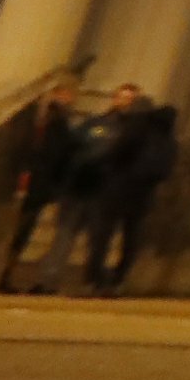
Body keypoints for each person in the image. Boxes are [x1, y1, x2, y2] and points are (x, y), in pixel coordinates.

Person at [30, 85, 130, 295]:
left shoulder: (130, 131)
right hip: (78, 187)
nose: (124, 103)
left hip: (103, 191)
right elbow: (72, 145)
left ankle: (93, 282)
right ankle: (48, 280)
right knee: (64, 236)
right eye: (122, 98)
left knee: (97, 241)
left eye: (129, 100)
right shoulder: (95, 123)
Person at [0, 80, 84, 294]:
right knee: (15, 232)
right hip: (32, 183)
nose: (70, 100)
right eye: (68, 96)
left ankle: (0, 275)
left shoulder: (36, 118)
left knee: (15, 232)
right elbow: (53, 154)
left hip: (30, 183)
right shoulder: (49, 121)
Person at [93, 95, 180, 294]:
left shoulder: (137, 129)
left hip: (119, 188)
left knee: (103, 235)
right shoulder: (169, 138)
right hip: (144, 194)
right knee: (131, 238)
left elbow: (117, 153)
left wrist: (105, 165)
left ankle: (97, 279)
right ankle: (119, 278)